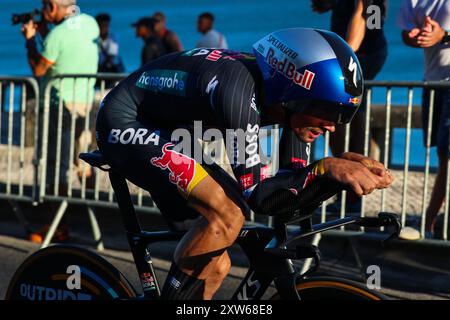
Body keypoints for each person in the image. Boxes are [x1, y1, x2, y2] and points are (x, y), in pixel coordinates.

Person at [95, 28, 393, 300]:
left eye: (342, 115)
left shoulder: (292, 109)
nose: (332, 127)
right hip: (127, 121)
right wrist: (325, 169)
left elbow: (287, 195)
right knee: (228, 214)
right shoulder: (237, 91)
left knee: (217, 264)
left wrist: (332, 174)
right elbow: (260, 197)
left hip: (170, 127)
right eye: (327, 110)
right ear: (294, 93)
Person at [21, 0, 100, 243]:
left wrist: (30, 40)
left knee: (56, 168)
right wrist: (47, 33)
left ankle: (58, 227)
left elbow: (39, 69)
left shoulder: (58, 35)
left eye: (45, 8)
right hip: (85, 104)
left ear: (53, 7)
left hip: (59, 106)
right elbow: (67, 49)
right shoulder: (90, 24)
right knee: (84, 165)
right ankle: (96, 224)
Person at [311, 0, 388, 212]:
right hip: (363, 50)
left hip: (363, 54)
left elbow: (365, 17)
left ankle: (352, 193)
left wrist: (347, 53)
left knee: (344, 114)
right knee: (346, 116)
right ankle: (349, 192)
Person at [398, 0, 450, 238]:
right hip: (432, 83)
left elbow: (441, 34)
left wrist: (444, 34)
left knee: (447, 153)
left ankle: (430, 222)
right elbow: (405, 35)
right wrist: (416, 36)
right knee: (442, 154)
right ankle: (431, 225)